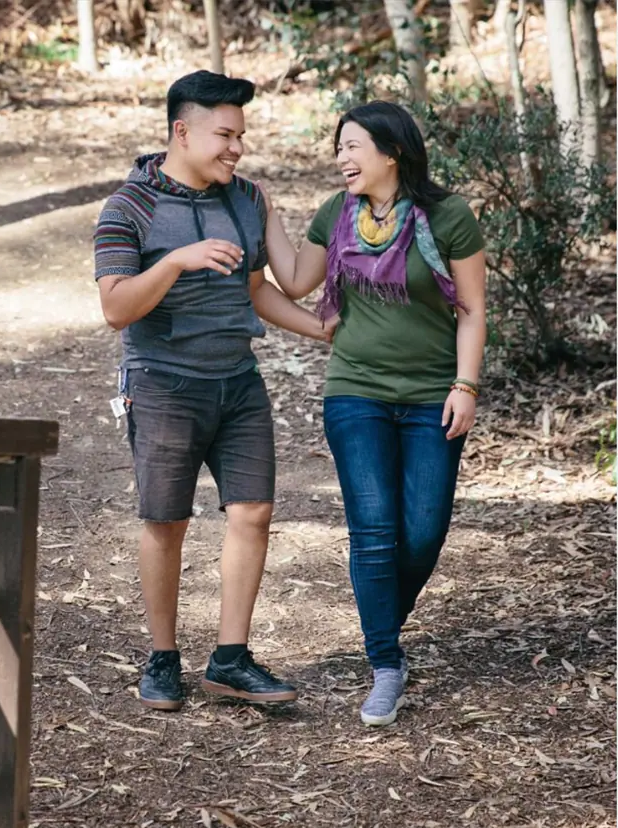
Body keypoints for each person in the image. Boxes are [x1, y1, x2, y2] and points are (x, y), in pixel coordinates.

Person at [93, 70, 337, 711]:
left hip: (238, 382)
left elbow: (268, 285)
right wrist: (176, 260)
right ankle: (163, 658)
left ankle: (230, 659)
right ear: (182, 131)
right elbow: (117, 309)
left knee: (254, 513)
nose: (236, 147)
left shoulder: (246, 198)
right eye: (224, 134)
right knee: (166, 522)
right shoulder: (130, 208)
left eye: (241, 136)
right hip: (162, 384)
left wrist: (320, 328)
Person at [261, 100, 487, 726]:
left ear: (392, 152)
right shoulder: (338, 214)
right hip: (354, 390)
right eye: (340, 147)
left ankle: (379, 615)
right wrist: (264, 213)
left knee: (423, 530)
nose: (342, 158)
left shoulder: (448, 217)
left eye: (353, 146)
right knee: (374, 528)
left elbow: (470, 308)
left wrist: (465, 385)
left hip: (429, 394)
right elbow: (295, 279)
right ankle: (386, 662)